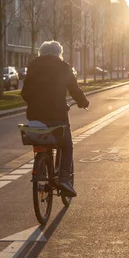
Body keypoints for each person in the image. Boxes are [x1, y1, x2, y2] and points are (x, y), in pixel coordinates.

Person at [21, 40, 89, 197]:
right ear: (59, 53)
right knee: (66, 145)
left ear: (41, 53)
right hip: (57, 116)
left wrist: (34, 103)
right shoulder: (64, 67)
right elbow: (74, 89)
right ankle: (64, 178)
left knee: (41, 141)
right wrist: (83, 102)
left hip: (35, 117)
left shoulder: (33, 66)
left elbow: (24, 93)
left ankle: (42, 166)